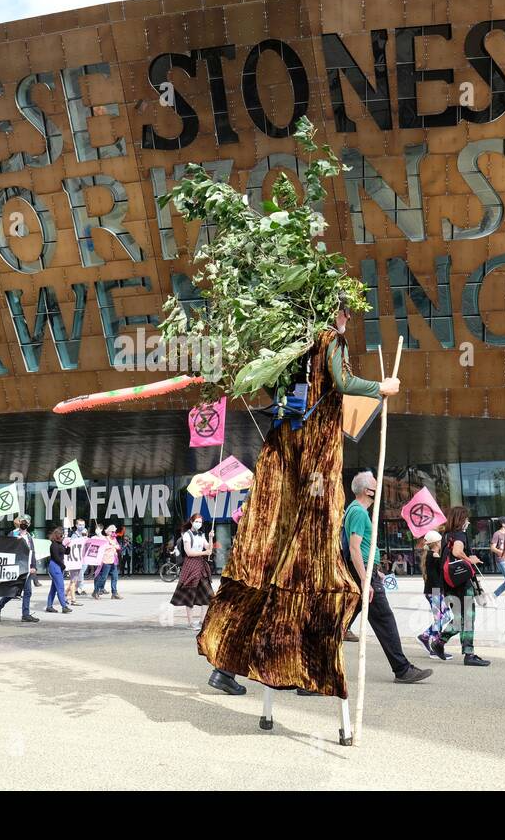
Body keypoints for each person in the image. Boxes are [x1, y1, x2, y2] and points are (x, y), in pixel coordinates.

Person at [198, 298, 400, 698]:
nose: (348, 319)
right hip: (315, 460)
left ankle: (232, 665)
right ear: (336, 312)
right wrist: (382, 387)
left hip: (283, 460)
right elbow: (343, 383)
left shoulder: (289, 349)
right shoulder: (329, 340)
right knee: (310, 560)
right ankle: (301, 666)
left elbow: (270, 388)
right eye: (347, 312)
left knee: (269, 560)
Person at [341, 471, 431, 684]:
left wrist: (374, 571)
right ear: (366, 490)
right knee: (384, 619)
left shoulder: (356, 511)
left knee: (340, 622)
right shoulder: (358, 512)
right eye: (375, 484)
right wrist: (365, 579)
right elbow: (354, 548)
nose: (379, 488)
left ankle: (312, 666)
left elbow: (360, 548)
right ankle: (402, 669)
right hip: (363, 573)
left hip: (366, 571)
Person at [434, 506, 489, 667]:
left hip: (448, 583)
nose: (468, 521)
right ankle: (468, 654)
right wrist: (469, 559)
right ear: (461, 519)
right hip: (462, 583)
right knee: (468, 617)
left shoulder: (446, 536)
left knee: (460, 619)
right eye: (466, 518)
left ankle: (440, 642)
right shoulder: (460, 535)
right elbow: (458, 552)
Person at [170, 514, 215, 629]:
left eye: (200, 522)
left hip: (201, 566)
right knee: (189, 595)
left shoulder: (201, 535)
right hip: (190, 566)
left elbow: (208, 548)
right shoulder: (186, 535)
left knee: (207, 594)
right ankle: (190, 623)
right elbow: (189, 552)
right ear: (191, 521)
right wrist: (204, 553)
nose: (198, 524)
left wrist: (210, 538)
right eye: (197, 521)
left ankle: (202, 621)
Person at [0, 515, 39, 623]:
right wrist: (15, 541)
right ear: (19, 522)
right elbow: (7, 548)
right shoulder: (13, 533)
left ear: (29, 524)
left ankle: (25, 614)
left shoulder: (29, 536)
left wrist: (34, 566)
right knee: (13, 591)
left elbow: (32, 552)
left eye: (26, 522)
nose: (24, 523)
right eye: (23, 521)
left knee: (28, 591)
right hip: (16, 567)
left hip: (26, 568)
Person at [416, 529, 450, 659]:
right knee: (443, 617)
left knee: (444, 617)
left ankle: (426, 638)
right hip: (434, 591)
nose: (441, 543)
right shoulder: (434, 555)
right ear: (436, 542)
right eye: (440, 541)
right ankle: (429, 641)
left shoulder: (430, 554)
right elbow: (443, 568)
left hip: (434, 591)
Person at [44, 527, 73, 613]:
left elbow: (66, 552)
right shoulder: (53, 545)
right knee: (60, 587)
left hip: (58, 566)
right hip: (55, 566)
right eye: (61, 535)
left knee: (54, 588)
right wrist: (63, 566)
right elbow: (56, 558)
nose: (62, 537)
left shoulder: (60, 544)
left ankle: (49, 606)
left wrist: (68, 545)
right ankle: (64, 606)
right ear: (57, 535)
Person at [92, 523, 123, 599]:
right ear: (108, 532)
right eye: (112, 531)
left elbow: (118, 547)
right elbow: (100, 546)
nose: (113, 533)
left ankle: (114, 592)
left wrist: (115, 546)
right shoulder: (104, 539)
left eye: (114, 531)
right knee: (103, 577)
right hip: (106, 560)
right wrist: (111, 546)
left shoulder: (114, 539)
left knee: (115, 577)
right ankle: (96, 591)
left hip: (114, 560)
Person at [63, 518, 89, 602]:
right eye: (80, 525)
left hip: (83, 559)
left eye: (83, 525)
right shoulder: (74, 536)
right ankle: (71, 598)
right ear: (76, 525)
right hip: (76, 560)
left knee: (75, 580)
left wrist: (86, 538)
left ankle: (66, 594)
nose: (82, 526)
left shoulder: (84, 534)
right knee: (76, 580)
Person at [489, 518, 505, 603]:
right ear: (501, 523)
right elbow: (492, 548)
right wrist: (500, 552)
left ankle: (494, 595)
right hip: (501, 560)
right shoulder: (497, 534)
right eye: (504, 522)